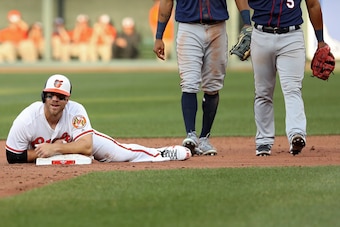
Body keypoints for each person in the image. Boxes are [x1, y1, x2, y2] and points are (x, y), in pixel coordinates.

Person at [5, 74, 191, 164]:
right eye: (51, 94)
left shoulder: (76, 111)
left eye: (61, 96)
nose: (55, 99)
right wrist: (47, 153)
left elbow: (86, 146)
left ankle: (163, 153)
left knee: (122, 154)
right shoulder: (27, 119)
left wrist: (55, 148)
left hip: (79, 140)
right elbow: (13, 156)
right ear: (43, 96)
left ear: (67, 100)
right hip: (65, 147)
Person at [234, 0, 327, 156]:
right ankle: (263, 141)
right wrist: (246, 21)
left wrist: (321, 40)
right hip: (260, 35)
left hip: (292, 37)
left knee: (292, 88)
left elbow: (313, 5)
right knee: (263, 91)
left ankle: (296, 134)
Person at [153, 0, 229, 156]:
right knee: (189, 82)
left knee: (213, 86)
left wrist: (246, 22)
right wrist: (159, 36)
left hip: (218, 27)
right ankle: (191, 135)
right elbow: (166, 3)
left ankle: (204, 138)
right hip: (189, 27)